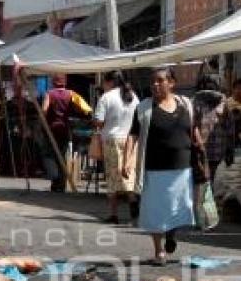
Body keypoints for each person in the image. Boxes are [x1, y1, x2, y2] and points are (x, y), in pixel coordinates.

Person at [125, 67, 196, 265]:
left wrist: (200, 150)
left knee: (177, 207)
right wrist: (127, 160)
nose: (155, 85)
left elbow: (193, 130)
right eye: (153, 82)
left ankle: (171, 233)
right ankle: (159, 252)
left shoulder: (186, 105)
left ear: (171, 83)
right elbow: (133, 135)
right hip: (154, 168)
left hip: (182, 167)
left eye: (160, 81)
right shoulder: (144, 108)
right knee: (155, 210)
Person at [94, 70, 139, 224]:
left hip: (112, 140)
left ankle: (114, 214)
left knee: (113, 177)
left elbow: (99, 122)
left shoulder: (106, 97)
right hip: (131, 139)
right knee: (129, 172)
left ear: (109, 82)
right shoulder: (133, 96)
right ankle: (133, 199)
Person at [42, 74, 90, 192]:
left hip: (51, 128)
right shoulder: (71, 94)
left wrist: (43, 121)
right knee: (62, 155)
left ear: (54, 82)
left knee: (50, 154)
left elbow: (44, 110)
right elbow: (81, 109)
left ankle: (55, 180)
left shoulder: (50, 94)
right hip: (64, 128)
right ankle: (61, 184)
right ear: (65, 82)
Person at [193, 75, 235, 187]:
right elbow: (230, 128)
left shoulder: (196, 102)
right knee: (206, 180)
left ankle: (207, 199)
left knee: (208, 180)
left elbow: (229, 127)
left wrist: (230, 150)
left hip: (208, 151)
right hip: (208, 151)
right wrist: (230, 150)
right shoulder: (197, 102)